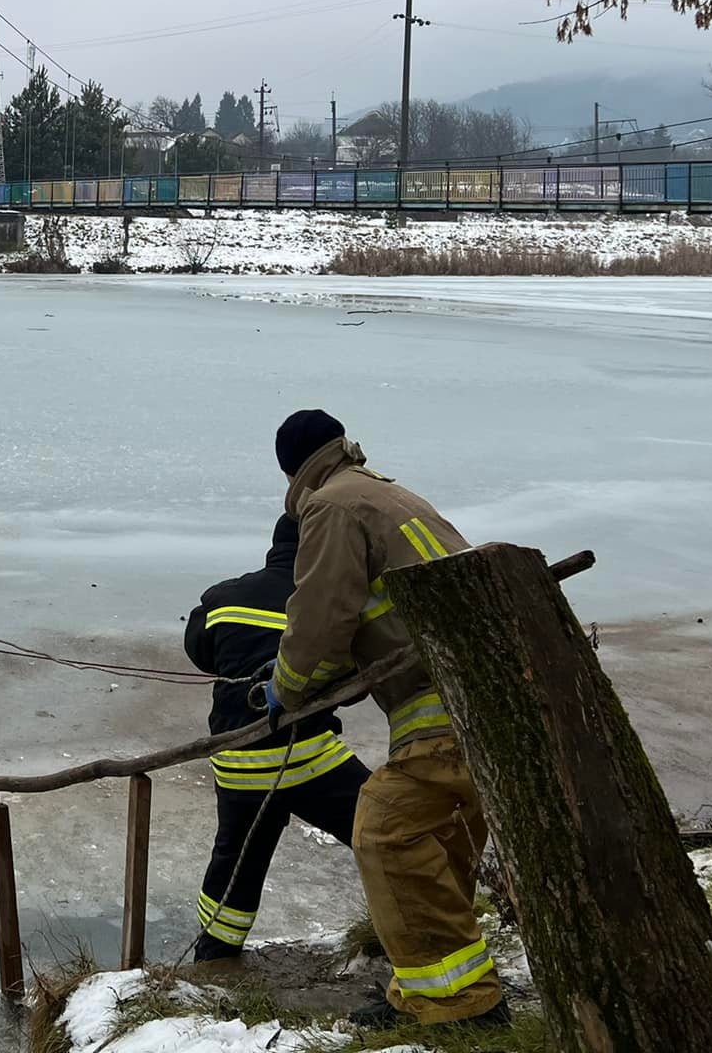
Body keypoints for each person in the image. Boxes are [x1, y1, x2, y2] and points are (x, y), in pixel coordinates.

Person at [260, 409, 507, 1031]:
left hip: (443, 711)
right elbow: (378, 616)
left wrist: (285, 692)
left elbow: (320, 622)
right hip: (488, 702)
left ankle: (458, 1005)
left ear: (293, 470)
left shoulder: (332, 507)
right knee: (441, 844)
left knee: (385, 832)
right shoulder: (389, 494)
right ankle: (432, 991)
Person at [184, 512, 371, 961]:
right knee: (384, 833)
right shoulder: (329, 605)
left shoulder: (222, 598)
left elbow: (199, 651)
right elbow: (352, 684)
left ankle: (215, 953)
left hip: (237, 763)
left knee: (235, 861)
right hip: (311, 759)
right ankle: (416, 931)